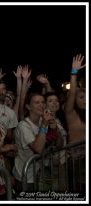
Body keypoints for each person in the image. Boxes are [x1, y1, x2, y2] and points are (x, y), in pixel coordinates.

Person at [13, 93, 52, 193]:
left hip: (40, 175)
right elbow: (37, 148)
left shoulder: (42, 121)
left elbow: (59, 144)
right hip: (25, 177)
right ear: (28, 107)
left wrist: (54, 129)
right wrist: (44, 125)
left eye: (43, 102)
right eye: (37, 102)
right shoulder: (23, 126)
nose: (41, 105)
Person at [64, 54, 86, 194]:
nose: (85, 100)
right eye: (82, 97)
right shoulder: (71, 114)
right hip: (76, 161)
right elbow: (72, 93)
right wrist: (74, 72)